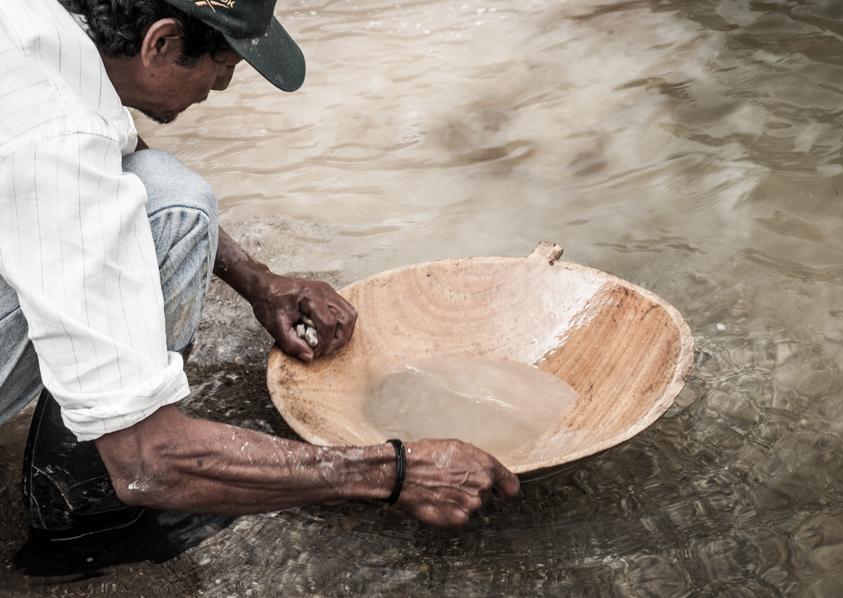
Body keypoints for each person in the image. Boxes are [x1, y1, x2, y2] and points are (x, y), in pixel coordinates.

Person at [0, 0, 519, 575]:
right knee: (175, 216)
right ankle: (83, 530)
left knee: (171, 194)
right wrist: (395, 472)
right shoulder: (59, 141)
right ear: (161, 45)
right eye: (223, 64)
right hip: (143, 457)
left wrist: (257, 281)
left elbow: (113, 150)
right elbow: (150, 458)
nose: (222, 85)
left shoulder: (39, 29)